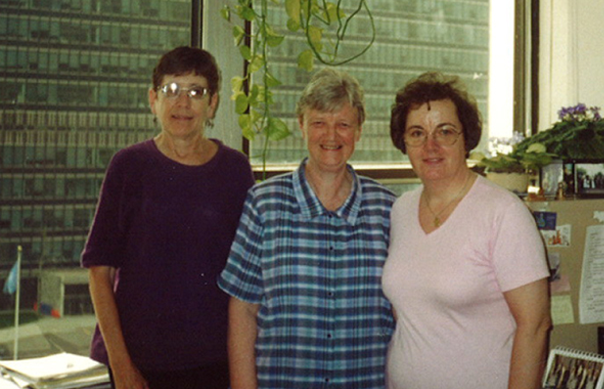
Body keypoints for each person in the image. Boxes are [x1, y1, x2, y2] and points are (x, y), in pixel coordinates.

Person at [81, 46, 254, 389]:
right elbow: (99, 274)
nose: (183, 103)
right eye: (171, 90)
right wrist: (122, 365)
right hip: (139, 364)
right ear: (153, 100)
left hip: (214, 363)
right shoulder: (128, 167)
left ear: (213, 103)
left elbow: (248, 279)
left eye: (196, 92)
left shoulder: (235, 170)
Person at [218, 68, 395, 389]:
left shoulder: (387, 209)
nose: (331, 135)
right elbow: (243, 310)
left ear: (358, 131)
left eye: (343, 124)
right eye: (319, 123)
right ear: (301, 125)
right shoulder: (264, 204)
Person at [383, 71, 551, 389]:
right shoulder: (401, 210)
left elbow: (536, 325)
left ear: (467, 138)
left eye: (445, 132)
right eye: (417, 133)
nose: (431, 145)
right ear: (403, 142)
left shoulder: (503, 213)